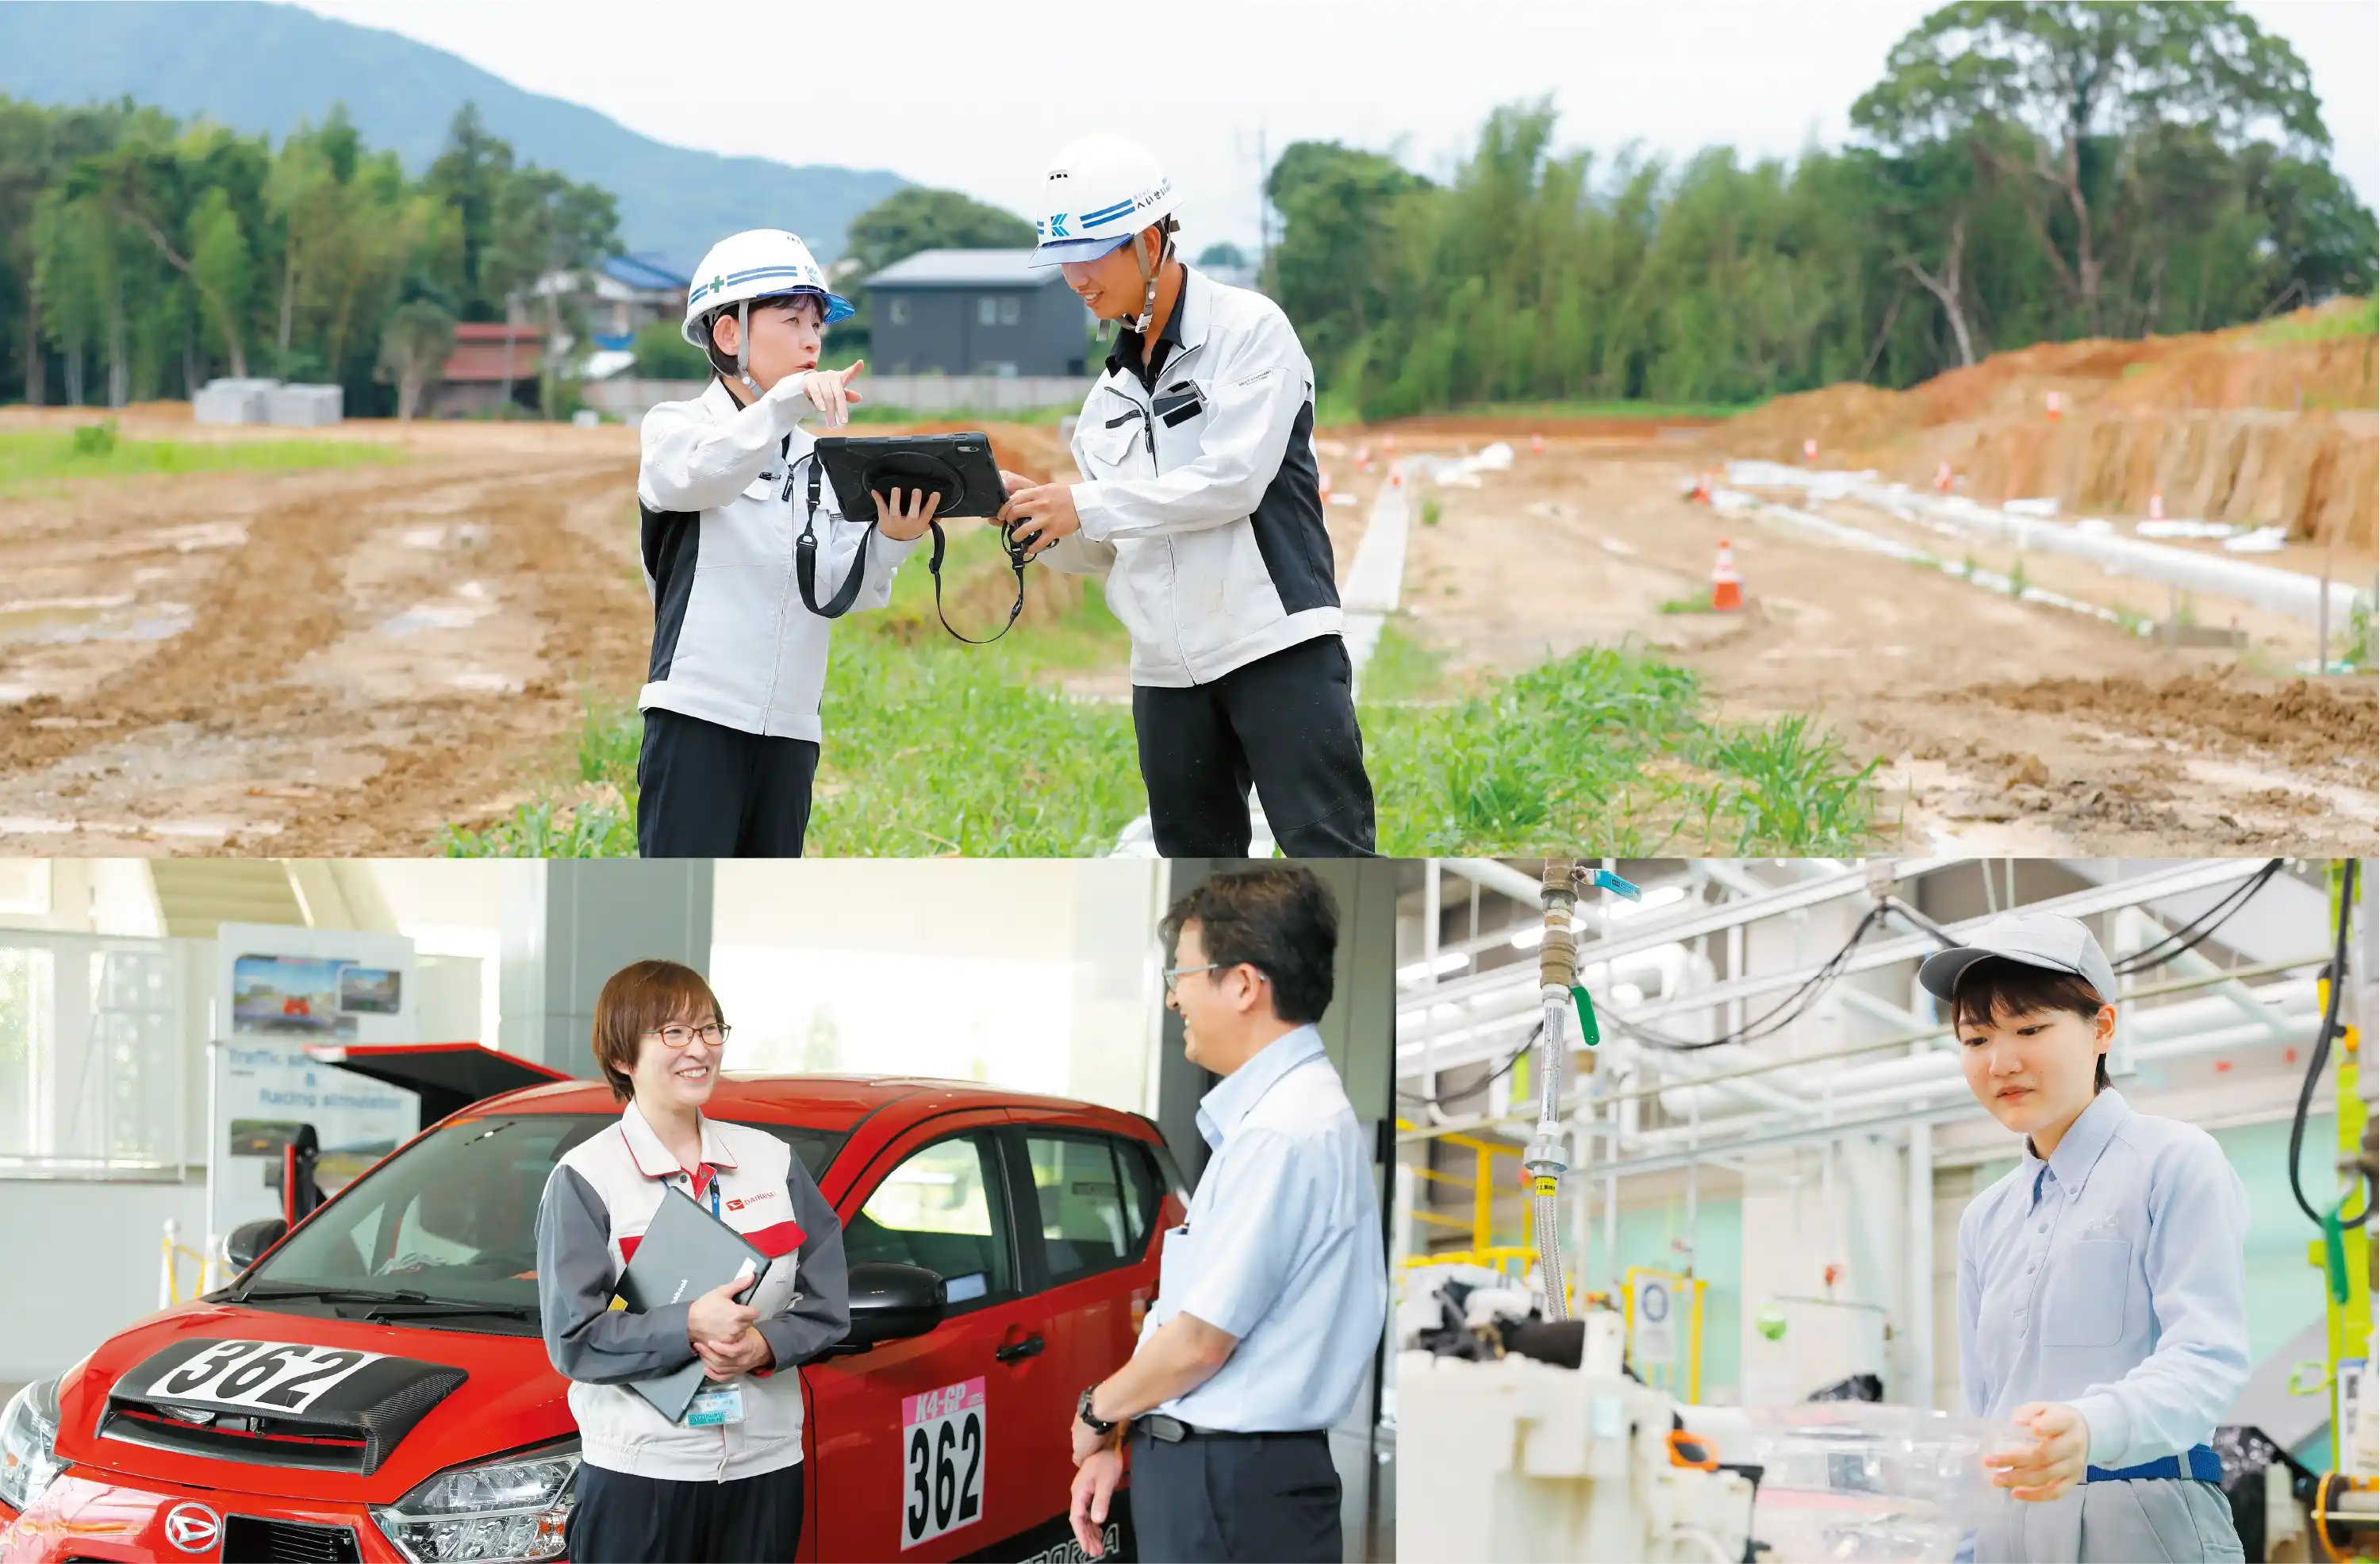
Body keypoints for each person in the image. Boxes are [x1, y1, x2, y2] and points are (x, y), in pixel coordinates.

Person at [997, 133, 1378, 858]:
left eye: (1089, 257)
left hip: (1275, 645)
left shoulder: (1250, 333)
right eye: (1063, 262)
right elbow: (1106, 549)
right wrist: (1035, 520)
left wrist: (1087, 502)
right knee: (1195, 874)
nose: (1075, 280)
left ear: (1148, 241)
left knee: (1330, 858)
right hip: (1167, 674)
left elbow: (1232, 482)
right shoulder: (1104, 400)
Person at [1065, 866, 1387, 1562]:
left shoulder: (1281, 1132)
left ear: (1243, 983)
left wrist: (1098, 1409)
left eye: (1183, 973)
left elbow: (1199, 1344)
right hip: (1222, 1477)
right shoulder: (1278, 1119)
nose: (1175, 996)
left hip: (1232, 1489)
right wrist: (1129, 1439)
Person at [1925, 913, 2250, 1564]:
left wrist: (2093, 1427)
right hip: (2007, 1531)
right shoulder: (1984, 1219)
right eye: (1976, 1037)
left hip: (2146, 1518)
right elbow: (1985, 1415)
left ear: (2101, 1027)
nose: (2001, 1061)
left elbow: (2208, 1359)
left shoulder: (2175, 1161)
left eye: (2031, 1029)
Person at [634, 229, 944, 857]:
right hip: (696, 719)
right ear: (729, 334)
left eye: (818, 325)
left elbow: (833, 588)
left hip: (792, 733)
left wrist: (893, 538)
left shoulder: (815, 460)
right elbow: (704, 474)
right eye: (793, 320)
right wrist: (780, 404)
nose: (813, 340)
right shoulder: (677, 428)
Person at [536, 959, 850, 1564]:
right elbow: (574, 1338)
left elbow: (828, 1305)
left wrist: (763, 1346)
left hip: (766, 1465)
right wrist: (687, 1325)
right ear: (623, 1057)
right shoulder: (587, 1176)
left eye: (710, 1029)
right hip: (642, 1472)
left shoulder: (772, 1161)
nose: (698, 1048)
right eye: (673, 1033)